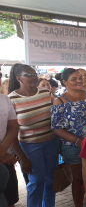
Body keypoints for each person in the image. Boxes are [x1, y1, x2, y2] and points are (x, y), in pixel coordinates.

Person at [8, 63, 58, 207]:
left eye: (34, 74)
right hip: (30, 146)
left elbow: (56, 118)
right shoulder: (12, 99)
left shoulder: (45, 93)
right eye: (28, 75)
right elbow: (11, 132)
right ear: (19, 78)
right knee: (36, 180)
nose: (33, 77)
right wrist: (22, 157)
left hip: (52, 142)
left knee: (51, 180)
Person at [51, 68, 86, 207]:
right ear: (65, 82)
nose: (79, 80)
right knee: (78, 179)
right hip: (73, 147)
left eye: (80, 77)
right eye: (74, 79)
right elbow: (56, 128)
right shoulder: (60, 101)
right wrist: (78, 141)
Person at [0, 93, 22, 207]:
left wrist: (2, 151)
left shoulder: (4, 99)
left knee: (10, 200)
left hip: (6, 157)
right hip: (4, 157)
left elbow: (13, 126)